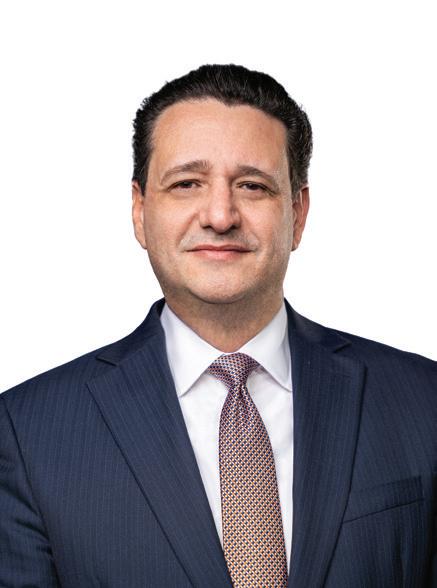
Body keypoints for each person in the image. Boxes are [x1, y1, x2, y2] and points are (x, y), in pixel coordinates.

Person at [0, 63, 435, 588]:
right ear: (140, 211)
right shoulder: (26, 432)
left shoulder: (423, 400)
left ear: (298, 213)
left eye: (252, 186)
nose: (221, 215)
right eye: (187, 184)